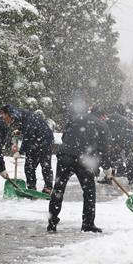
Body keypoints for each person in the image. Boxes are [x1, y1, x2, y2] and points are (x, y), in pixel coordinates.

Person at [47, 95, 112, 233]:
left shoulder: (76, 118)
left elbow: (65, 137)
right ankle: (87, 224)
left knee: (58, 189)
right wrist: (107, 168)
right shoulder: (102, 125)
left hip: (65, 156)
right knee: (89, 192)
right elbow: (104, 149)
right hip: (84, 160)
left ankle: (52, 222)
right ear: (102, 115)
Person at [1, 105, 54, 194]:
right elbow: (27, 127)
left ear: (10, 114)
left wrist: (20, 152)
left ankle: (40, 188)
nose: (4, 118)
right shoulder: (24, 115)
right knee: (37, 166)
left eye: (5, 115)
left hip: (42, 141)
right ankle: (39, 188)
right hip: (41, 141)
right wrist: (20, 130)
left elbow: (28, 137)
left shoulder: (27, 119)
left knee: (38, 166)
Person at [105, 103, 133, 187]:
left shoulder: (111, 118)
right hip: (129, 138)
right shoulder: (124, 118)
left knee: (113, 157)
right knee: (129, 158)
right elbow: (130, 127)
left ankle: (109, 177)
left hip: (121, 138)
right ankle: (131, 180)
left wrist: (114, 144)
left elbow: (110, 132)